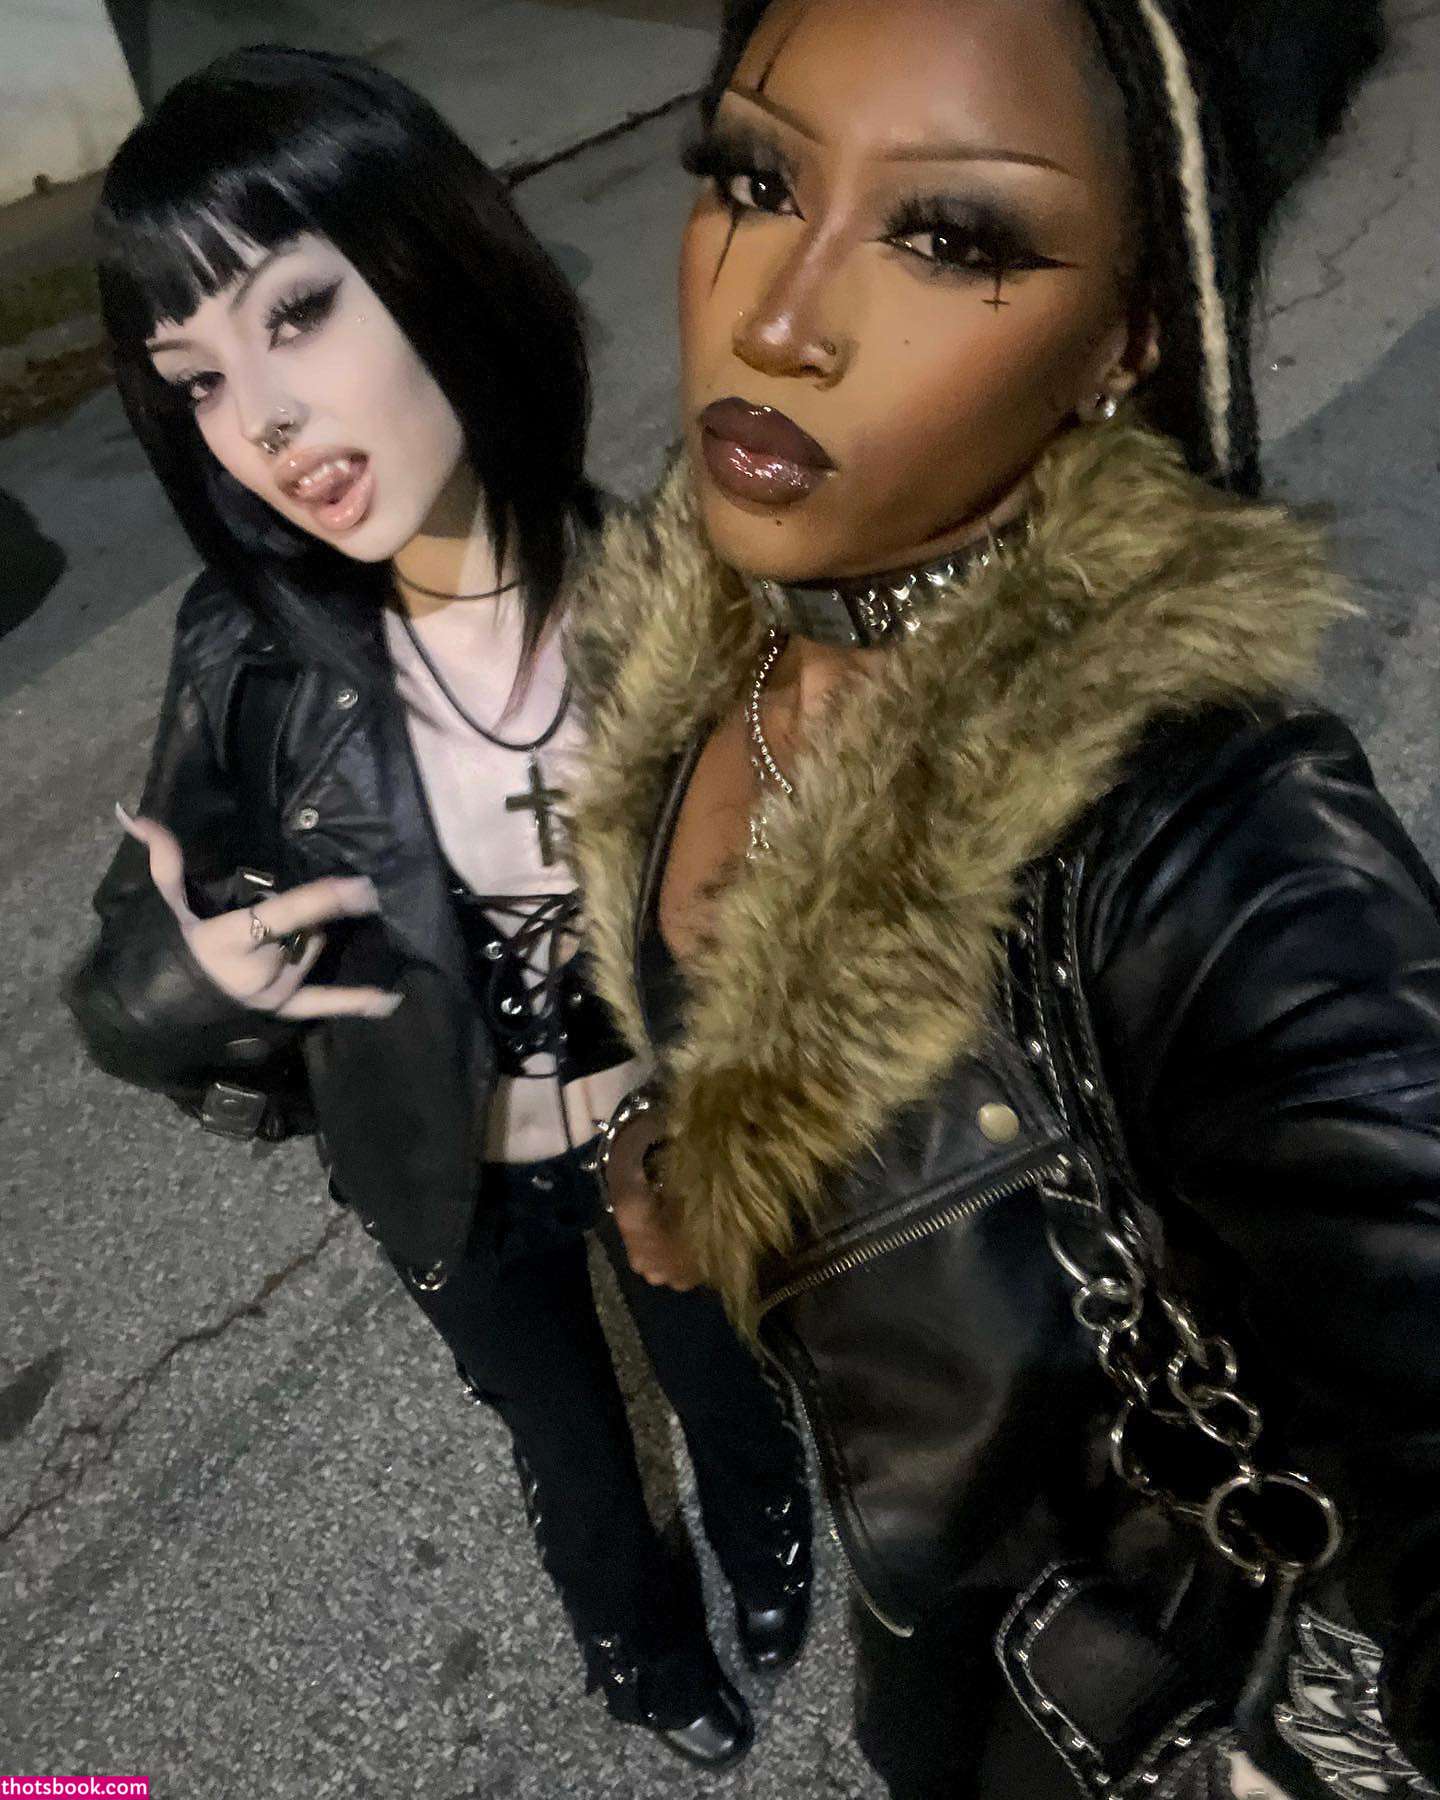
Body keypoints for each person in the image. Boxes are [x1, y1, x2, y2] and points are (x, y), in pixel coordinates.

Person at [562, 1, 1440, 1795]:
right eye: (754, 178)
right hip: (933, 1680)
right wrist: (713, 1155)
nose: (778, 319)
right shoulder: (708, 653)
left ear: (1130, 332)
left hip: (1140, 1720)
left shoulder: (1208, 839)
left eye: (951, 235)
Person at [66, 45, 812, 1769]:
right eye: (196, 379)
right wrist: (184, 984)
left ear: (440, 260)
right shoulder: (251, 657)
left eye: (297, 310)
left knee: (725, 1373)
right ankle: (637, 1642)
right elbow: (126, 964)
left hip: (664, 1132)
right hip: (444, 1173)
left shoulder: (671, 588)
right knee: (568, 1446)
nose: (261, 421)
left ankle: (769, 1543)